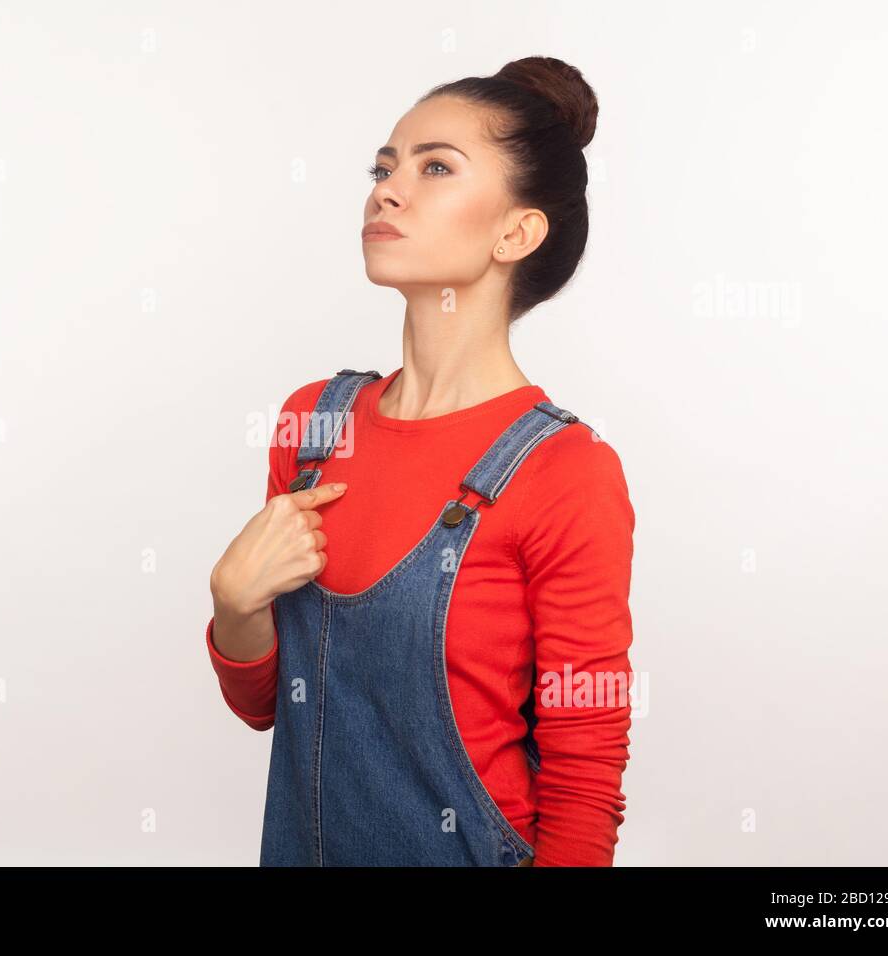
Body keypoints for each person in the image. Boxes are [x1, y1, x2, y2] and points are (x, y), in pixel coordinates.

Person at [205, 56, 635, 867]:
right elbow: (269, 709)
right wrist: (235, 603)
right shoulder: (313, 426)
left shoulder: (566, 471)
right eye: (384, 166)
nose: (387, 190)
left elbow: (586, 775)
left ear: (517, 231)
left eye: (435, 167)